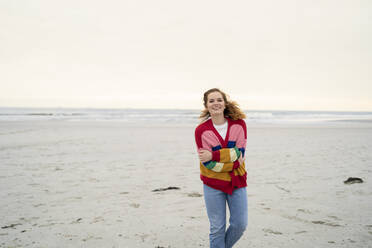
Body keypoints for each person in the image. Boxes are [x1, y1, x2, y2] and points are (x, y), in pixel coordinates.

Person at [194, 88, 248, 248]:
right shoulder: (201, 130)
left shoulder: (239, 124)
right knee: (217, 228)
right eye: (211, 101)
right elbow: (208, 164)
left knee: (240, 224)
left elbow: (240, 155)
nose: (215, 103)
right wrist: (229, 157)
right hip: (212, 183)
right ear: (206, 105)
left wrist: (214, 155)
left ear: (225, 103)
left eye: (219, 100)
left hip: (236, 181)